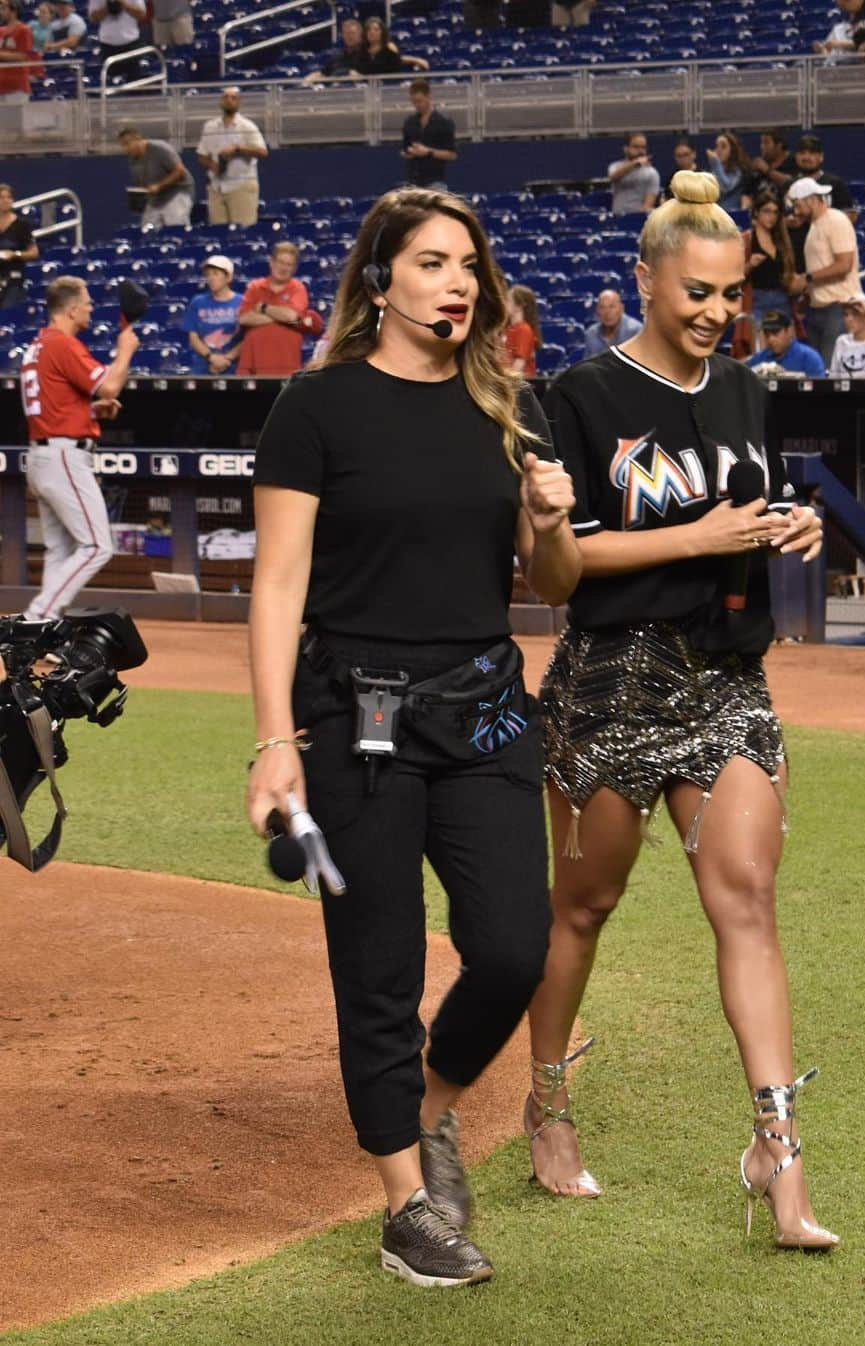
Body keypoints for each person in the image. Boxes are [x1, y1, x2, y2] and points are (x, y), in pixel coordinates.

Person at [245, 185, 580, 1286]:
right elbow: (281, 580)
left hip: (487, 707)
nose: (457, 283)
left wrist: (548, 519)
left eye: (469, 266)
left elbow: (550, 582)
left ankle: (430, 1105)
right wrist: (274, 738)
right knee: (378, 965)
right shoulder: (316, 407)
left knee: (513, 945)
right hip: (358, 718)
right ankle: (406, 1203)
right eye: (434, 262)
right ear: (380, 277)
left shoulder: (502, 406)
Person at [525, 170, 837, 1254]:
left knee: (747, 898)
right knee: (581, 911)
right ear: (648, 278)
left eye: (731, 296)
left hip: (728, 679)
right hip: (610, 682)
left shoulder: (748, 390)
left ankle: (780, 1152)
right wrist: (698, 537)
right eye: (696, 291)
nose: (715, 312)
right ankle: (548, 1100)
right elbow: (558, 570)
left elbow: (756, 504)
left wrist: (792, 526)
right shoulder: (577, 395)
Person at [17, 275, 139, 621]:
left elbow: (53, 400)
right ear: (71, 310)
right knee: (98, 546)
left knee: (60, 550)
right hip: (63, 457)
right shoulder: (62, 344)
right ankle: (38, 615)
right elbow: (110, 386)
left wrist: (87, 411)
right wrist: (125, 350)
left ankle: (41, 631)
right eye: (87, 303)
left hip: (43, 453)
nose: (91, 308)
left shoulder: (37, 345)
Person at [788, 177, 860, 366]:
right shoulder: (814, 225)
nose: (795, 211)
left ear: (811, 200)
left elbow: (845, 264)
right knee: (817, 374)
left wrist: (807, 278)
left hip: (838, 308)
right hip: (818, 309)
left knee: (831, 375)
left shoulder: (836, 220)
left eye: (798, 204)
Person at [236, 241, 321, 377]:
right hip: (254, 363)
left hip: (287, 365)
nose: (284, 268)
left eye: (289, 265)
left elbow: (291, 317)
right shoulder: (255, 287)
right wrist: (279, 316)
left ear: (294, 268)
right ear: (271, 262)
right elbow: (244, 318)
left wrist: (263, 307)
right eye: (281, 262)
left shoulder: (298, 288)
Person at [196, 86, 268, 228]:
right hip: (216, 187)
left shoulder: (247, 126)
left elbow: (262, 152)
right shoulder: (210, 127)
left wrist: (237, 149)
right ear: (221, 101)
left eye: (233, 98)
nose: (229, 100)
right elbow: (202, 155)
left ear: (239, 102)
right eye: (225, 97)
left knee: (243, 230)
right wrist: (212, 166)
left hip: (241, 185)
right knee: (218, 231)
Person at [740, 191, 796, 349]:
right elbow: (733, 278)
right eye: (767, 211)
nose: (771, 216)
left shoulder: (781, 240)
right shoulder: (746, 240)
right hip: (757, 301)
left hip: (782, 300)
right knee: (761, 350)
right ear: (756, 212)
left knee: (788, 350)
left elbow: (789, 273)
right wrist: (750, 265)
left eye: (775, 212)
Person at [117, 123, 194, 229]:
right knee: (147, 230)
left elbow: (180, 172)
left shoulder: (159, 148)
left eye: (127, 144)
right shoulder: (133, 160)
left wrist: (159, 186)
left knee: (176, 227)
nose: (126, 149)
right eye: (123, 145)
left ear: (137, 138)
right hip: (156, 199)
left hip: (177, 193)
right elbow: (145, 186)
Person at [182, 255, 243, 375]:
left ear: (228, 277)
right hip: (202, 368)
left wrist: (227, 358)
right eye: (208, 274)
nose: (211, 278)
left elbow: (248, 338)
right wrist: (211, 357)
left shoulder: (242, 302)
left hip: (233, 368)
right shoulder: (197, 302)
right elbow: (193, 338)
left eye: (215, 273)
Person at [402, 79, 457, 191]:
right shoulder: (409, 122)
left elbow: (452, 155)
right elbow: (404, 150)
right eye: (414, 102)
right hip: (413, 182)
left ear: (428, 96)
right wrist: (410, 152)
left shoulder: (443, 122)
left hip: (435, 182)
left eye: (419, 101)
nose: (417, 105)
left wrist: (428, 152)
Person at [788, 134, 856, 220]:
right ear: (796, 157)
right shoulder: (789, 184)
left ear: (821, 157)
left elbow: (850, 214)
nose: (806, 157)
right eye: (802, 153)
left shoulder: (834, 183)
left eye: (812, 153)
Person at [746, 309, 826, 376]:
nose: (771, 339)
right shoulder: (758, 360)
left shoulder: (809, 358)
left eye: (775, 333)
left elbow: (819, 391)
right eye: (767, 335)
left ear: (789, 331)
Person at [0, 182, 39, 309]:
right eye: (1, 197)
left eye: (8, 197)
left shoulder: (22, 225)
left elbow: (34, 252)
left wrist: (15, 254)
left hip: (14, 281)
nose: (5, 200)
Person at [608, 131, 660, 217]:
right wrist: (634, 164)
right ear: (626, 149)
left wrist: (634, 220)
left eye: (643, 147)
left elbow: (647, 205)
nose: (640, 151)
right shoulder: (615, 166)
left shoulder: (652, 173)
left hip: (637, 219)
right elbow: (613, 177)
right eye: (636, 147)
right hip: (616, 218)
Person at [357, 14, 429, 74]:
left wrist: (416, 60)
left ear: (382, 32)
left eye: (376, 30)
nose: (372, 32)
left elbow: (398, 60)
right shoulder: (362, 50)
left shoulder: (389, 46)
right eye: (368, 30)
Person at [302, 16, 365, 83]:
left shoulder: (367, 56)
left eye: (352, 33)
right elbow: (324, 73)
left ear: (360, 35)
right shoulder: (339, 57)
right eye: (346, 33)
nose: (349, 36)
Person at [582, 288, 641, 356]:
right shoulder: (591, 334)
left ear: (621, 308)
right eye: (602, 307)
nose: (607, 312)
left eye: (612, 307)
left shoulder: (635, 331)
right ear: (597, 311)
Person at [705, 129, 752, 212]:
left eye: (723, 146)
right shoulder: (714, 170)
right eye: (717, 146)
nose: (718, 150)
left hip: (732, 216)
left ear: (732, 150)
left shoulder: (738, 171)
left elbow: (726, 187)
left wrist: (716, 163)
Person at [0, 0, 34, 106]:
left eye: (3, 9)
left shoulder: (23, 30)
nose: (0, 12)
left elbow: (23, 56)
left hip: (17, 89)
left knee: (16, 122)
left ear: (13, 10)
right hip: (1, 88)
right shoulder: (0, 31)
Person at [746, 128, 796, 199]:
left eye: (766, 143)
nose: (762, 147)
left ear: (779, 145)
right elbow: (747, 193)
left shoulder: (792, 162)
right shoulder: (758, 166)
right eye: (762, 143)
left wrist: (767, 170)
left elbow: (790, 183)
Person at [503, 282, 541, 377]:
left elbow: (519, 363)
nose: (504, 303)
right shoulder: (508, 328)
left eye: (508, 300)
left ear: (519, 306)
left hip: (518, 384)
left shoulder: (524, 330)